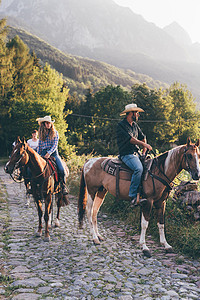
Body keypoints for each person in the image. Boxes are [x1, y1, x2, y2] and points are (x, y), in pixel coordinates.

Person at [116, 103, 152, 206]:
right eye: (136, 113)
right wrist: (144, 144)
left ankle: (143, 193)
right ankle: (132, 196)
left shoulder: (135, 125)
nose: (138, 115)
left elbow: (143, 137)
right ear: (130, 113)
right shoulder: (121, 126)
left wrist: (144, 150)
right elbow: (131, 139)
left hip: (136, 153)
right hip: (126, 154)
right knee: (138, 169)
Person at [36, 115, 68, 195]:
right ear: (43, 124)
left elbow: (55, 145)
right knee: (34, 168)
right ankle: (33, 186)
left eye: (49, 123)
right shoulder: (41, 134)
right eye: (46, 123)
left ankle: (63, 186)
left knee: (61, 169)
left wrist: (49, 153)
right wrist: (38, 155)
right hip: (43, 153)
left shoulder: (55, 133)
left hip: (53, 153)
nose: (48, 124)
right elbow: (39, 146)